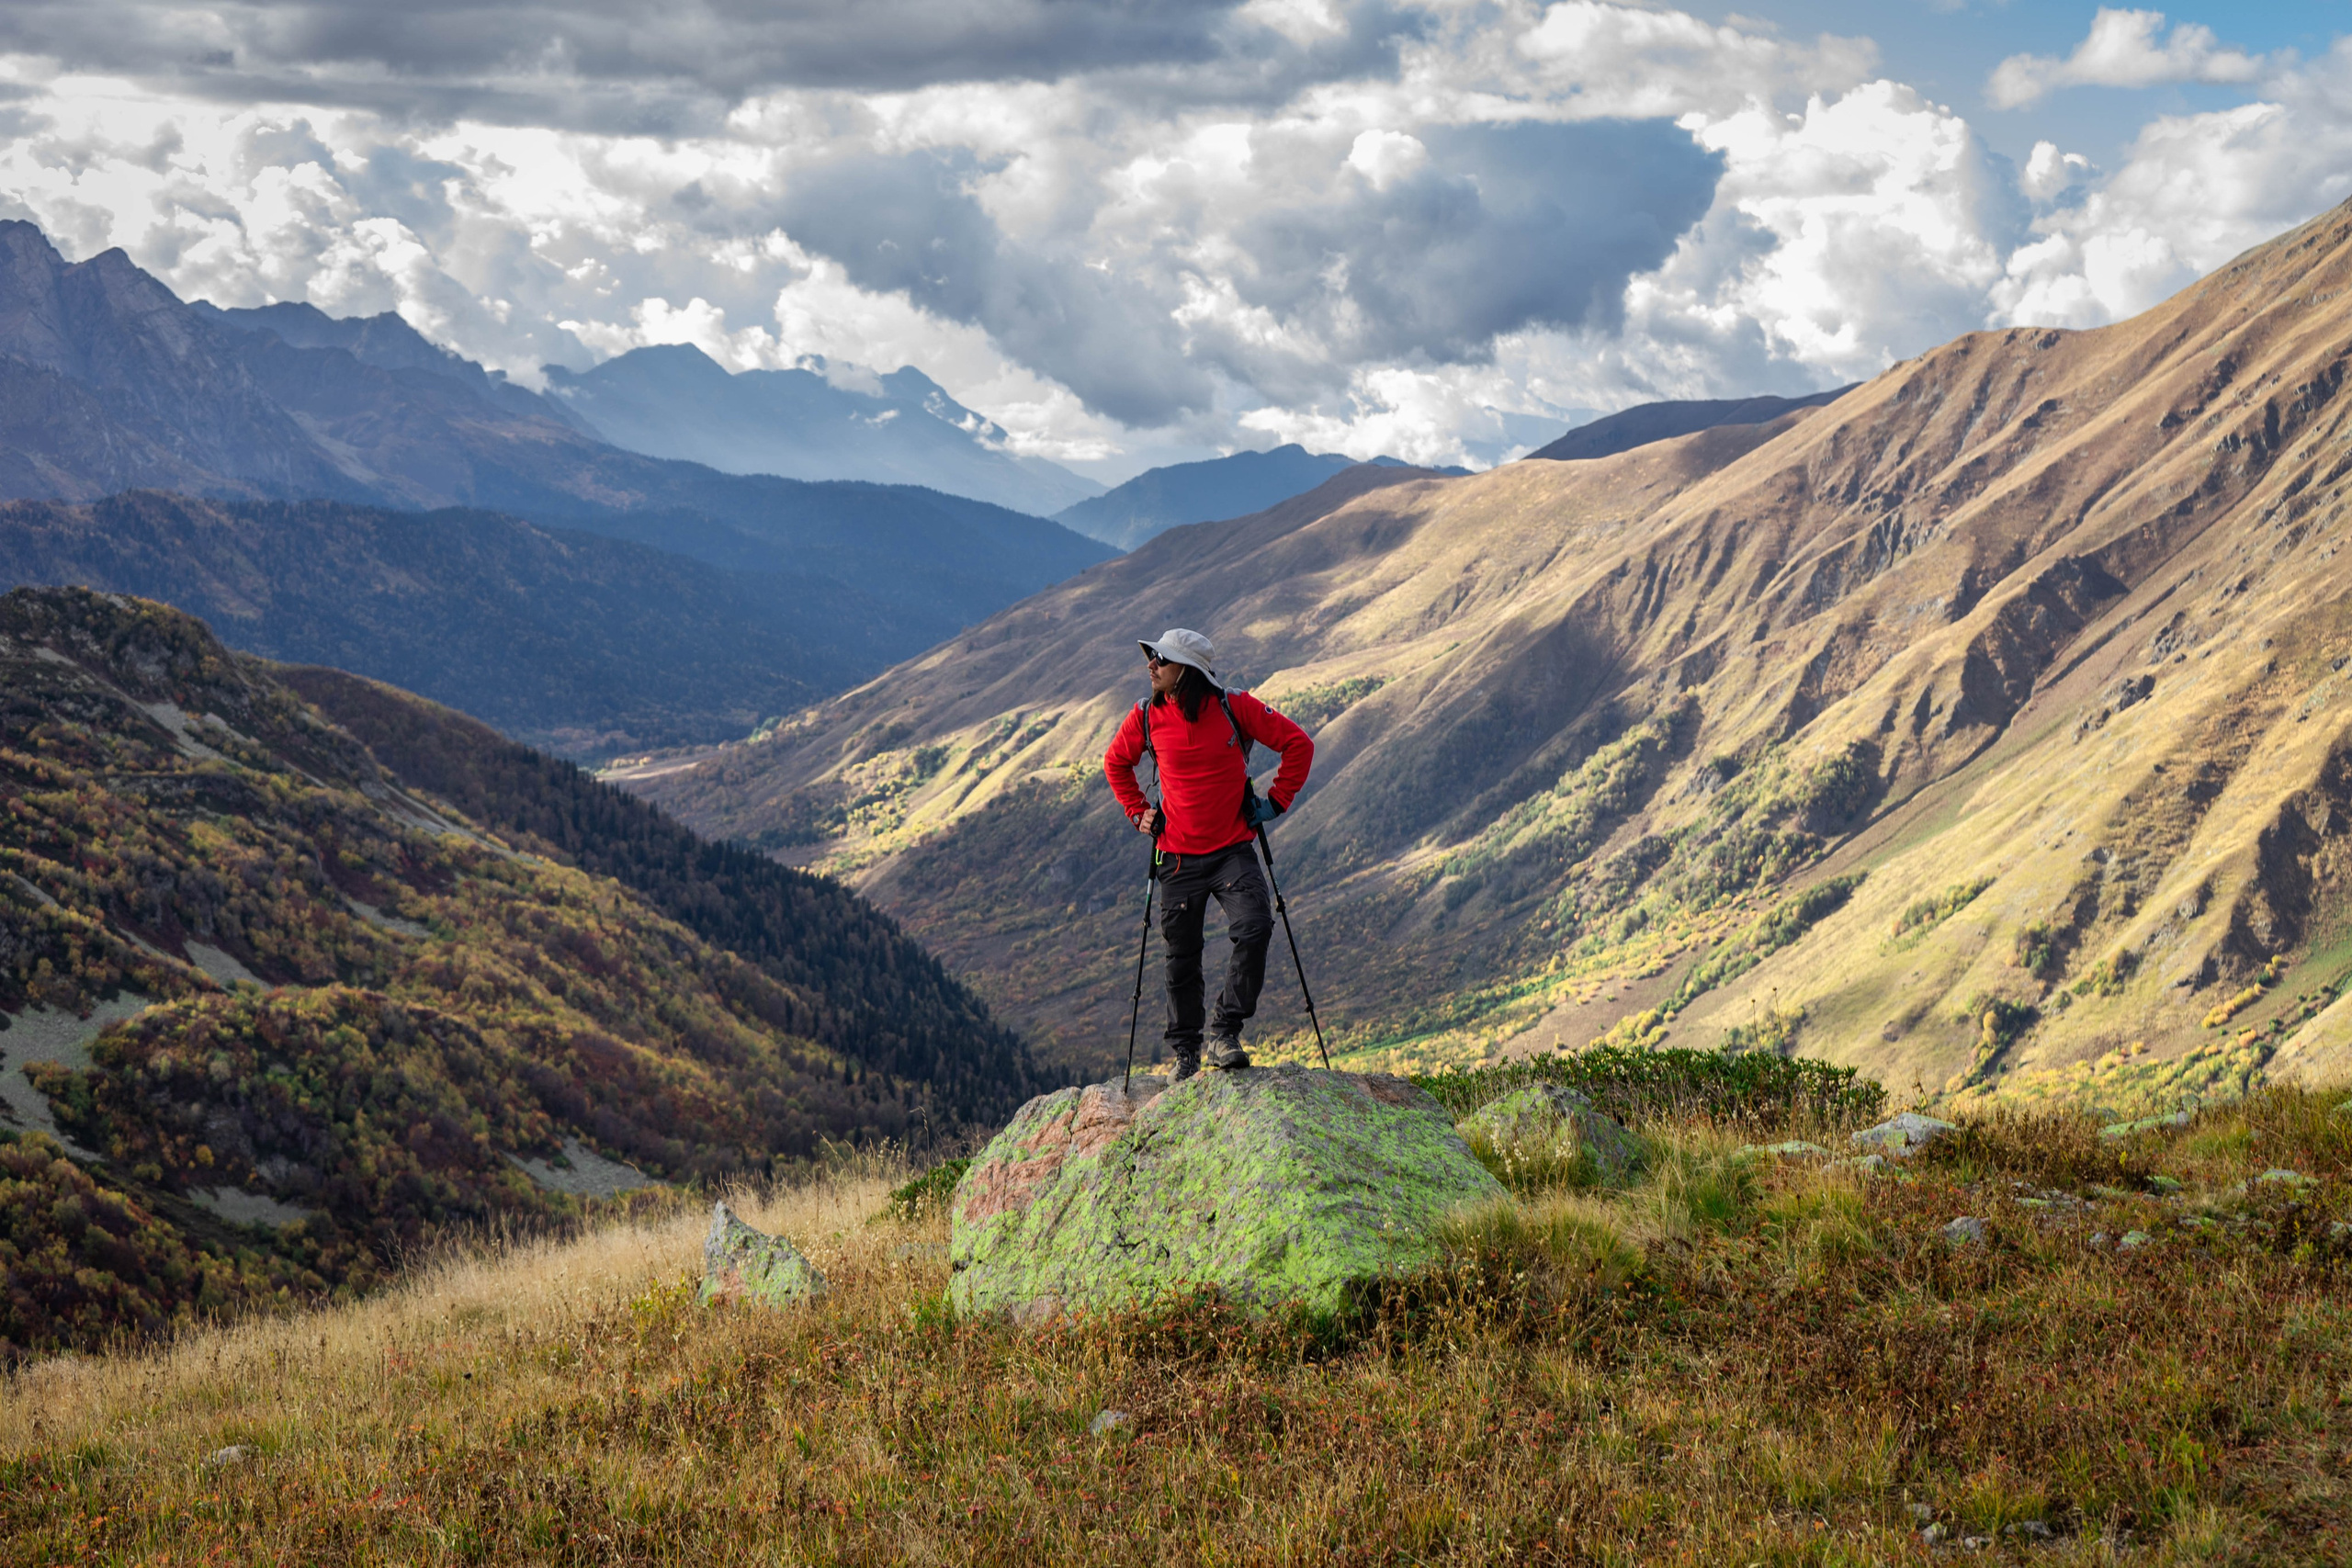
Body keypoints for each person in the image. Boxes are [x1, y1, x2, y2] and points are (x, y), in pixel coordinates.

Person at [1103, 627, 1313, 1078]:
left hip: (1232, 850)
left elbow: (1299, 744)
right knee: (1182, 955)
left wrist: (1275, 803)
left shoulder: (1234, 707)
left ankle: (1224, 1032)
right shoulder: (1145, 715)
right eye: (1153, 657)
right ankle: (1186, 1053)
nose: (1151, 666)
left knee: (1255, 925)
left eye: (1161, 659)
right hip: (1176, 857)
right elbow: (1115, 762)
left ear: (1188, 671)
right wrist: (1136, 811)